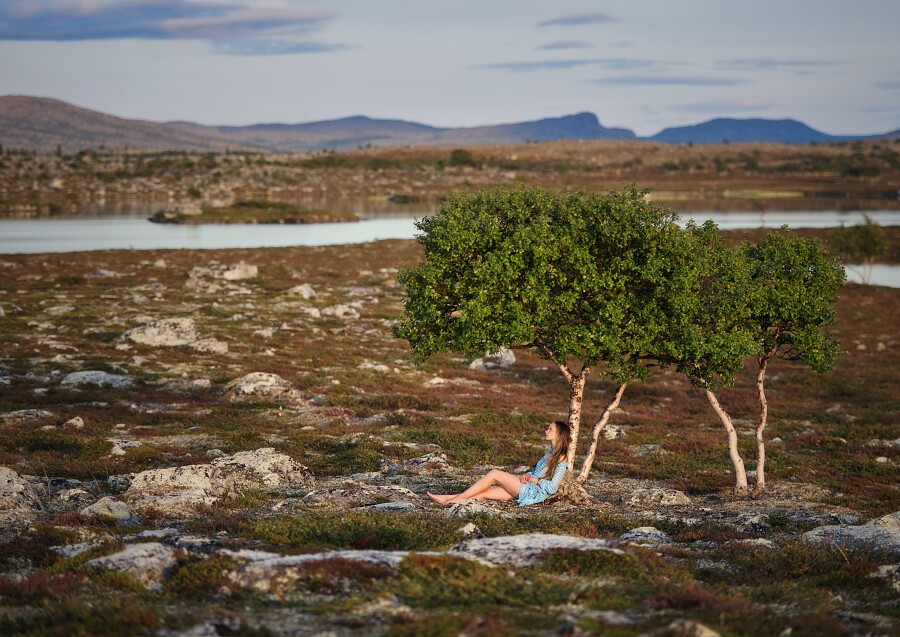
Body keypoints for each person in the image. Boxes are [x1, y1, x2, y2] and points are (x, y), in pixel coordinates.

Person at [427, 420, 571, 506]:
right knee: (485, 494)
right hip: (527, 487)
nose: (546, 431)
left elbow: (552, 488)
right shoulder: (549, 453)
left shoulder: (562, 459)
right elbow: (537, 473)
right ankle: (446, 499)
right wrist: (528, 475)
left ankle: (456, 499)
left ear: (558, 434)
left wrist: (535, 480)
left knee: (494, 473)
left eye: (550, 429)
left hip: (532, 491)